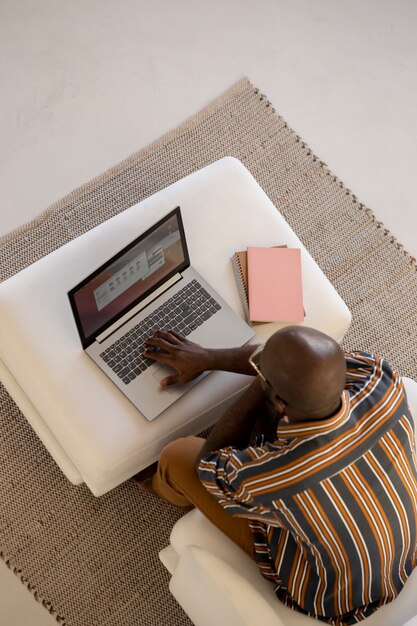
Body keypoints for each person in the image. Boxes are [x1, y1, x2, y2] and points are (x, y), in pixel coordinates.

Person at [137, 326, 417, 625]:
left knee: (176, 457)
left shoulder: (278, 475)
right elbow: (308, 367)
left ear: (281, 400)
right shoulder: (379, 377)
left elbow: (209, 464)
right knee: (270, 414)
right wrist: (207, 357)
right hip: (404, 550)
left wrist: (262, 381)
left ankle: (157, 482)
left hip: (335, 597)